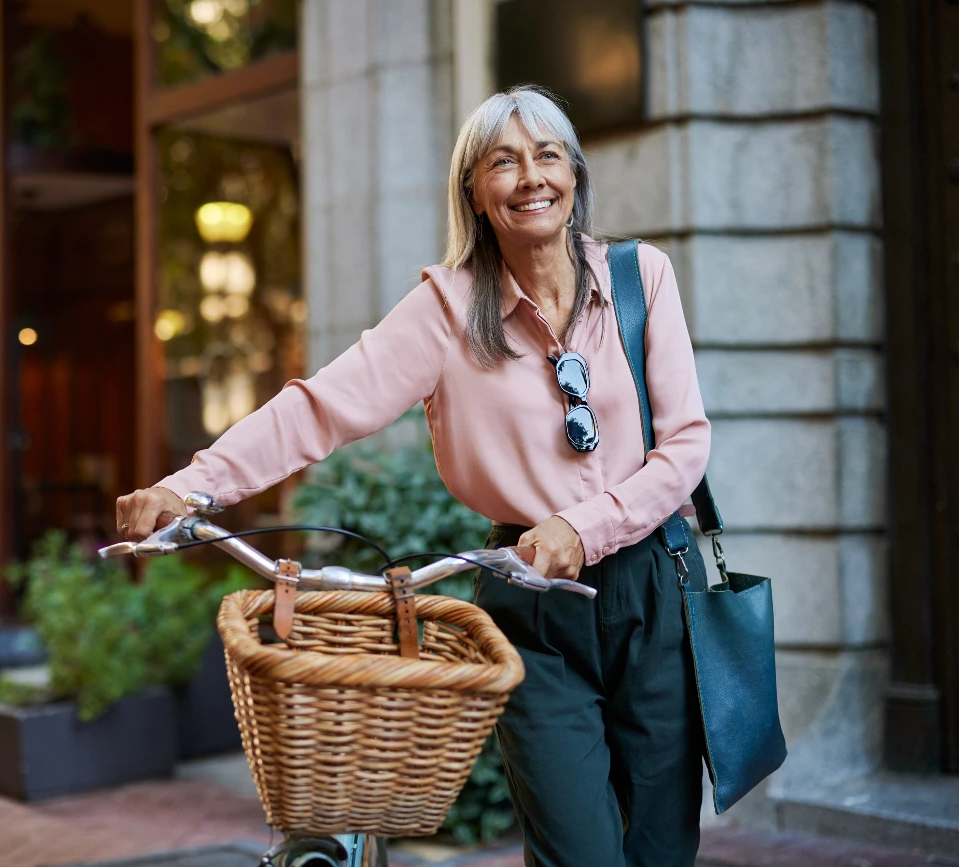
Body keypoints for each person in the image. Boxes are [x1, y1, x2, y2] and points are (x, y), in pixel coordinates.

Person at [116, 86, 710, 867]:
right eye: (504, 162)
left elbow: (686, 445)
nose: (531, 177)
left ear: (574, 173)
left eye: (547, 156)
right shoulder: (447, 309)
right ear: (475, 191)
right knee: (579, 853)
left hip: (655, 588)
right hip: (529, 602)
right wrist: (192, 486)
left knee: (663, 849)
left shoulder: (640, 277)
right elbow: (321, 406)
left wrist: (586, 526)